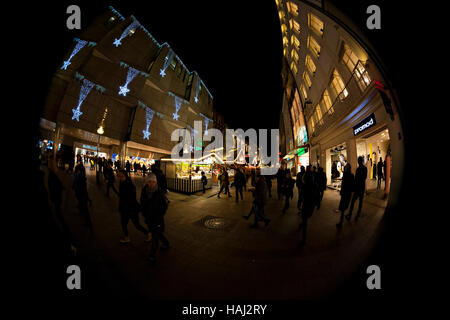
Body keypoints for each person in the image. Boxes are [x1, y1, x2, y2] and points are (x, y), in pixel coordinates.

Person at [140, 173, 170, 263]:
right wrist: (144, 213)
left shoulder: (159, 193)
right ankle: (166, 243)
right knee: (158, 233)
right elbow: (142, 203)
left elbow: (165, 206)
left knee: (155, 237)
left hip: (157, 218)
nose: (151, 183)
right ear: (147, 182)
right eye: (149, 181)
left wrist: (160, 215)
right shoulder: (144, 191)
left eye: (153, 182)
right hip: (148, 218)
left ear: (156, 182)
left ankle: (152, 255)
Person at [117, 170, 150, 243]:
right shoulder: (122, 183)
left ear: (125, 176)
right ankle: (127, 237)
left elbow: (131, 198)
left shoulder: (129, 185)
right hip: (126, 208)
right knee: (124, 223)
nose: (120, 178)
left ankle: (148, 233)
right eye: (119, 176)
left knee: (136, 225)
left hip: (130, 208)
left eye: (121, 176)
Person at [298, 165, 316, 245]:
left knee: (305, 219)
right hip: (310, 203)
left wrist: (300, 201)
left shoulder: (305, 183)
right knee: (306, 217)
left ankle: (304, 239)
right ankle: (303, 238)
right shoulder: (312, 179)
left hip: (306, 203)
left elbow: (302, 195)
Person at [346, 156, 368, 221]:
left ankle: (350, 214)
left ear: (359, 161)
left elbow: (356, 179)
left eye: (358, 160)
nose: (358, 162)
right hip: (362, 187)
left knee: (353, 201)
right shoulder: (364, 168)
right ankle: (357, 215)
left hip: (358, 188)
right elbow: (364, 177)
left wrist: (355, 185)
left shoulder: (358, 169)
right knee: (360, 202)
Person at [73, 162, 92, 228]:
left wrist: (86, 197)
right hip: (80, 194)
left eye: (77, 170)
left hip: (82, 195)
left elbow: (83, 189)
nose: (76, 171)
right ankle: (81, 211)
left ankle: (89, 224)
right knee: (83, 208)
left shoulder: (81, 177)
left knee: (85, 209)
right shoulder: (79, 176)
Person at [336, 163, 354, 228]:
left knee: (343, 207)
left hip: (345, 193)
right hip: (348, 193)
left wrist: (341, 191)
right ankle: (343, 219)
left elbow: (343, 184)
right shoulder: (351, 175)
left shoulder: (345, 175)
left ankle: (341, 222)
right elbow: (352, 184)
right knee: (344, 207)